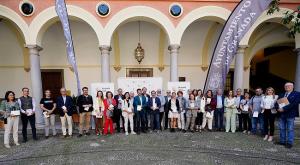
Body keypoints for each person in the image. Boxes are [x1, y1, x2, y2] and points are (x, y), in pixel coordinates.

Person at [275, 82, 300, 149]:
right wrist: (278, 108)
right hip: (282, 114)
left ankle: (289, 143)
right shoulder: (281, 94)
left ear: (292, 87)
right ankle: (282, 141)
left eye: (289, 86)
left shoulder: (297, 94)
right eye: (286, 86)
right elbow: (276, 103)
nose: (287, 87)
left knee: (290, 129)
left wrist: (283, 108)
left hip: (290, 114)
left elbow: (294, 104)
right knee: (282, 128)